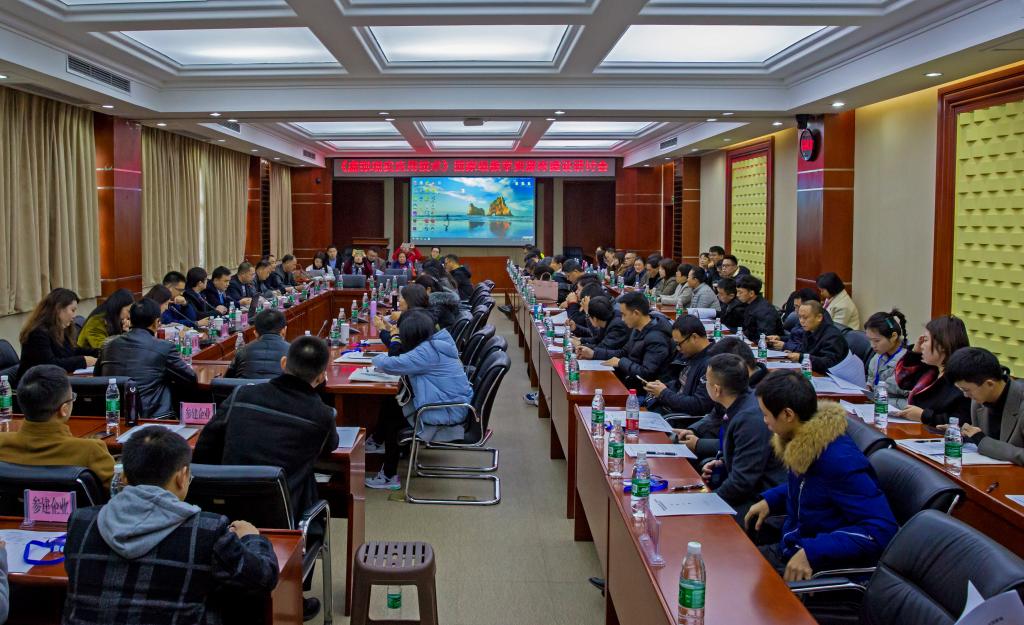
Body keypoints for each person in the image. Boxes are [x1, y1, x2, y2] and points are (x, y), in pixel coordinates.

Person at [63, 426, 279, 625]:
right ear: (182, 477)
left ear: (124, 477)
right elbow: (263, 578)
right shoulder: (207, 530)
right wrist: (251, 538)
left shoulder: (81, 521)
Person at [745, 371, 898, 580]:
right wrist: (772, 500)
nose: (765, 421)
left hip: (817, 564)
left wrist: (812, 551)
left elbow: (881, 530)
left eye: (766, 415)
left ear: (788, 415)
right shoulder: (803, 443)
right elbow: (812, 487)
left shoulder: (838, 461)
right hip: (792, 545)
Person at [194, 336, 338, 529]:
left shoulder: (242, 394)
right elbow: (330, 448)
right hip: (282, 520)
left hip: (224, 515)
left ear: (283, 363)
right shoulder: (322, 415)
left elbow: (204, 447)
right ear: (321, 377)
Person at [365, 310, 473, 489]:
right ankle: (378, 443)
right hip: (450, 403)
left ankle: (389, 475)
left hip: (444, 411)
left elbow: (390, 363)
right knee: (392, 403)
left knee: (393, 419)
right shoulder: (438, 342)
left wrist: (374, 355)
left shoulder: (426, 352)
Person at [699, 354, 785, 520]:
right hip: (750, 489)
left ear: (716, 390)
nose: (705, 384)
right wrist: (724, 461)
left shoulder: (749, 419)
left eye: (706, 381)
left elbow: (742, 483)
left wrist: (705, 503)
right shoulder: (743, 402)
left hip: (762, 499)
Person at [0, 364, 115, 487]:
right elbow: (119, 489)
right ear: (64, 409)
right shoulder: (91, 451)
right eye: (72, 398)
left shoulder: (2, 442)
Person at [96, 298, 198, 419]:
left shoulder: (107, 345)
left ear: (130, 320)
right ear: (157, 322)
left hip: (113, 415)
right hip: (153, 418)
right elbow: (190, 378)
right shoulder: (164, 347)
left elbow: (97, 377)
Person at [674, 337, 768, 459]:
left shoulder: (762, 398)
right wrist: (694, 430)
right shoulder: (728, 386)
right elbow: (715, 415)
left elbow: (743, 443)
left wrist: (699, 444)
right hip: (719, 447)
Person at [578, 291, 674, 392]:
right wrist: (593, 354)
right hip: (630, 381)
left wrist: (621, 362)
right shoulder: (638, 327)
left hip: (644, 391)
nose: (622, 319)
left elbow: (646, 373)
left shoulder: (657, 338)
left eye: (624, 314)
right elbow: (623, 352)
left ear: (636, 313)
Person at [945, 348, 1024, 465]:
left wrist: (982, 440)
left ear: (990, 384)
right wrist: (966, 435)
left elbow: (985, 442)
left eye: (966, 390)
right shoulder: (979, 400)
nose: (965, 395)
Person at [893, 315, 972, 426]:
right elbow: (903, 381)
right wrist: (914, 353)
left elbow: (962, 421)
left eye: (925, 340)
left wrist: (924, 416)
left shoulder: (961, 380)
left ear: (942, 345)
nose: (922, 345)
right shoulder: (932, 370)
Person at [16, 288, 96, 382]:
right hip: (34, 385)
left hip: (52, 382)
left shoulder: (60, 329)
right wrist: (83, 361)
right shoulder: (37, 333)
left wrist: (100, 352)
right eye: (73, 310)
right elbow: (49, 365)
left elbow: (72, 351)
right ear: (58, 309)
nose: (74, 316)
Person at [643, 315, 715, 417]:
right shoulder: (690, 354)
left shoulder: (712, 365)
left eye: (679, 344)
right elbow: (680, 384)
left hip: (677, 418)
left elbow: (698, 405)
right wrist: (663, 387)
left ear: (694, 337)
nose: (678, 348)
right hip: (668, 407)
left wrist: (663, 393)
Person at [780, 301, 850, 372]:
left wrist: (801, 357)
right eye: (799, 317)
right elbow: (807, 352)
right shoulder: (808, 330)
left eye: (805, 318)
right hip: (811, 371)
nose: (801, 321)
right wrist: (795, 353)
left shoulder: (832, 336)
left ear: (819, 317)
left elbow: (828, 363)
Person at [864, 310, 910, 409]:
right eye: (870, 340)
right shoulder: (877, 357)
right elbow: (870, 385)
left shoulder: (908, 363)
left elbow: (912, 402)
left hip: (895, 412)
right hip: (877, 407)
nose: (872, 345)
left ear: (893, 336)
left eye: (877, 341)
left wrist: (877, 401)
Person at [225, 310, 290, 379]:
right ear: (284, 330)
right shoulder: (293, 352)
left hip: (248, 386)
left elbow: (228, 379)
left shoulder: (242, 351)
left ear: (255, 333)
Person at [736, 275, 783, 339]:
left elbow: (765, 337)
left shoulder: (765, 311)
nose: (737, 295)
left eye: (740, 292)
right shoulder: (749, 303)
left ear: (751, 293)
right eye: (737, 291)